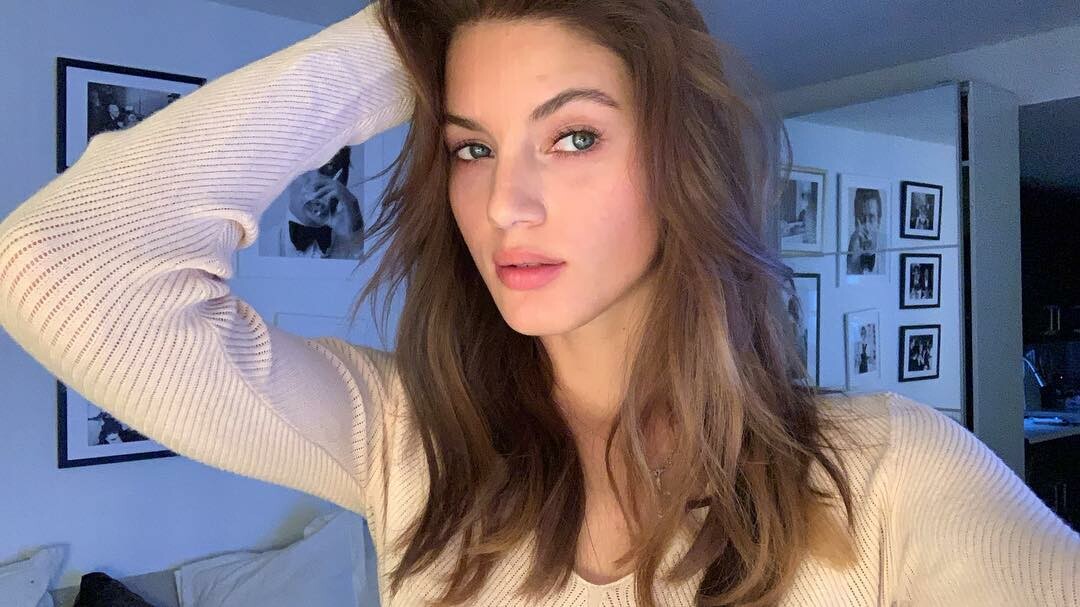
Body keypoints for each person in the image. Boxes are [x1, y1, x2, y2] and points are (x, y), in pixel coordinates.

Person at [0, 1, 1076, 606]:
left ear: (681, 163)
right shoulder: (408, 446)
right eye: (472, 147)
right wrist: (406, 27)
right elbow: (61, 264)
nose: (505, 203)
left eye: (573, 135)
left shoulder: (888, 480)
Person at [846, 187, 884, 274]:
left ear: (879, 222)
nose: (866, 226)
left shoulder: (888, 257)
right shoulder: (848, 249)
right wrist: (851, 261)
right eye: (861, 218)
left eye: (871, 218)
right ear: (855, 221)